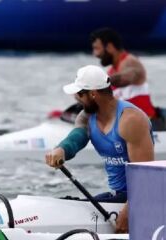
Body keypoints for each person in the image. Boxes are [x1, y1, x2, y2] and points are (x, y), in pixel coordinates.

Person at [45, 65, 154, 233]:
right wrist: (61, 150)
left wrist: (130, 210)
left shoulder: (130, 119)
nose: (76, 98)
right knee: (69, 205)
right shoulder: (86, 117)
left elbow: (146, 177)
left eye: (80, 94)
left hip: (145, 197)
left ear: (93, 93)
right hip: (119, 196)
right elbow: (77, 137)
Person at [90, 27, 157, 119]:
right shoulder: (111, 70)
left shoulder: (130, 62)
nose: (95, 54)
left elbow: (125, 78)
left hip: (146, 123)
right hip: (126, 121)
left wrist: (97, 82)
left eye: (97, 48)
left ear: (109, 47)